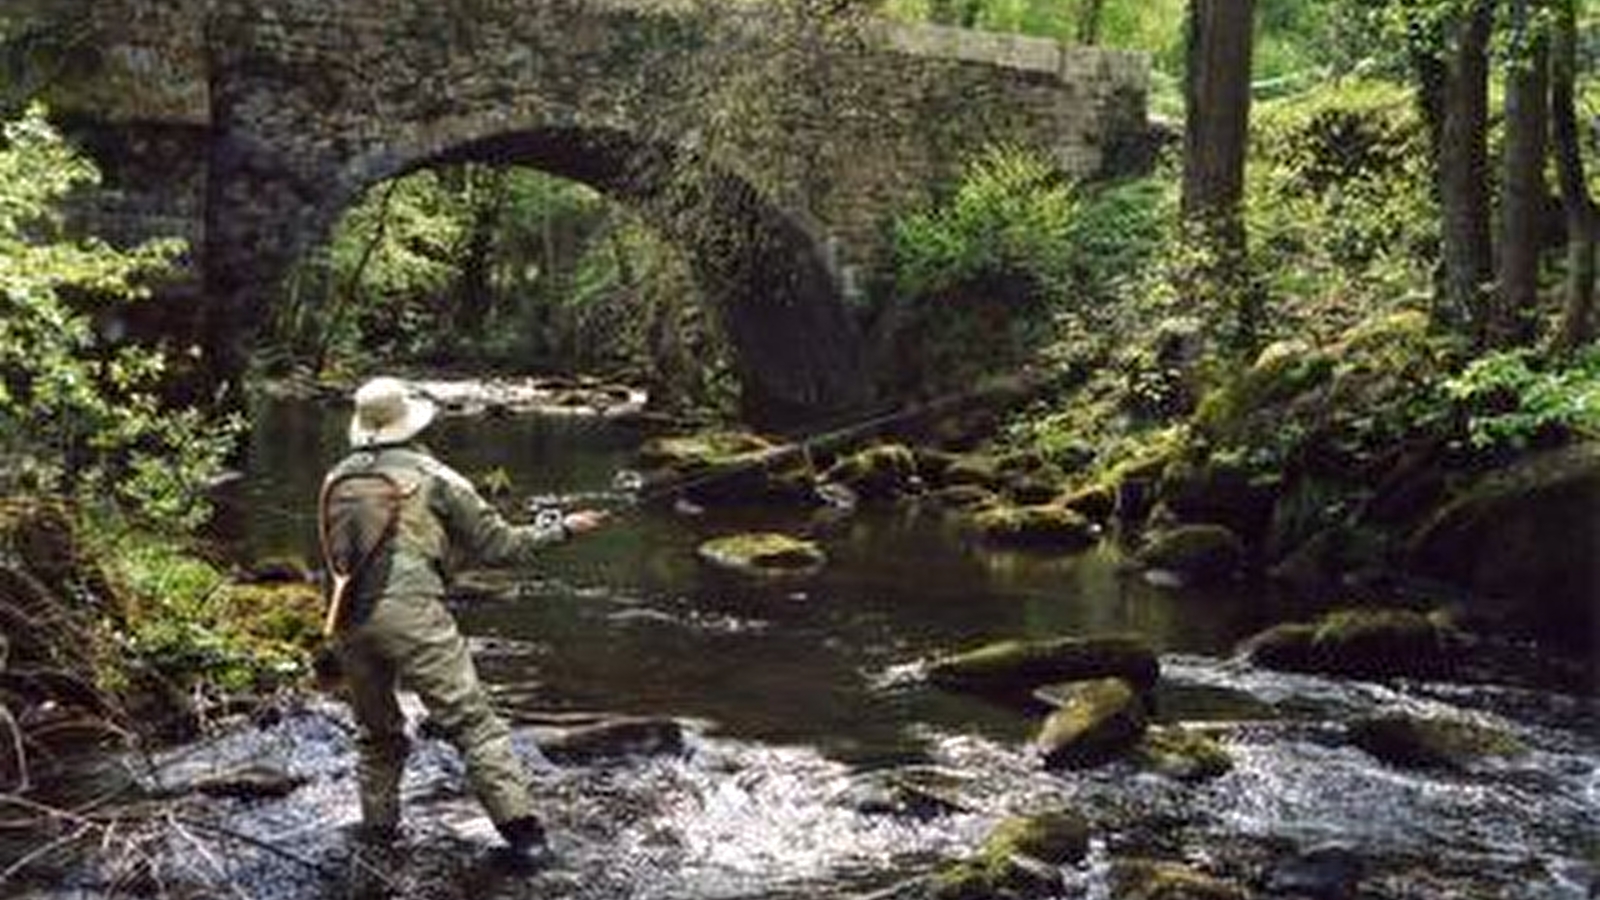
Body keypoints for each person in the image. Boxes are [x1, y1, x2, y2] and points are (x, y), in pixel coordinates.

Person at [321, 376, 605, 864]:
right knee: (475, 726)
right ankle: (526, 839)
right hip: (410, 613)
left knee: (377, 735)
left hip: (346, 617)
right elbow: (501, 547)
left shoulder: (335, 479)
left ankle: (378, 839)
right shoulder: (437, 478)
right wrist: (564, 530)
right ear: (410, 424)